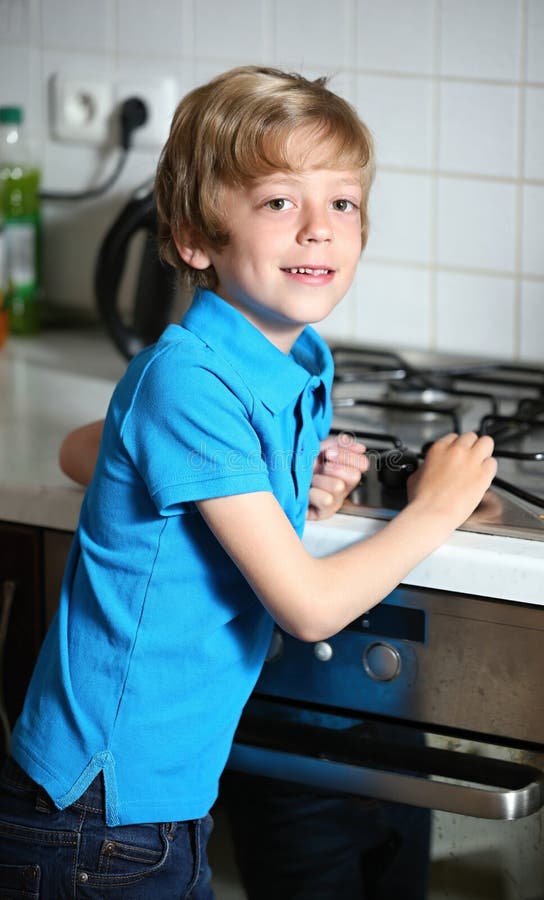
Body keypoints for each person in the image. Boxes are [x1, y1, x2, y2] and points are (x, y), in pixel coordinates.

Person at [0, 66, 496, 900]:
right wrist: (436, 508)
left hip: (158, 803)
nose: (319, 231)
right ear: (196, 239)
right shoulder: (188, 379)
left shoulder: (295, 358)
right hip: (98, 815)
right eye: (278, 202)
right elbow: (305, 608)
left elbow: (90, 450)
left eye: (342, 203)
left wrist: (264, 494)